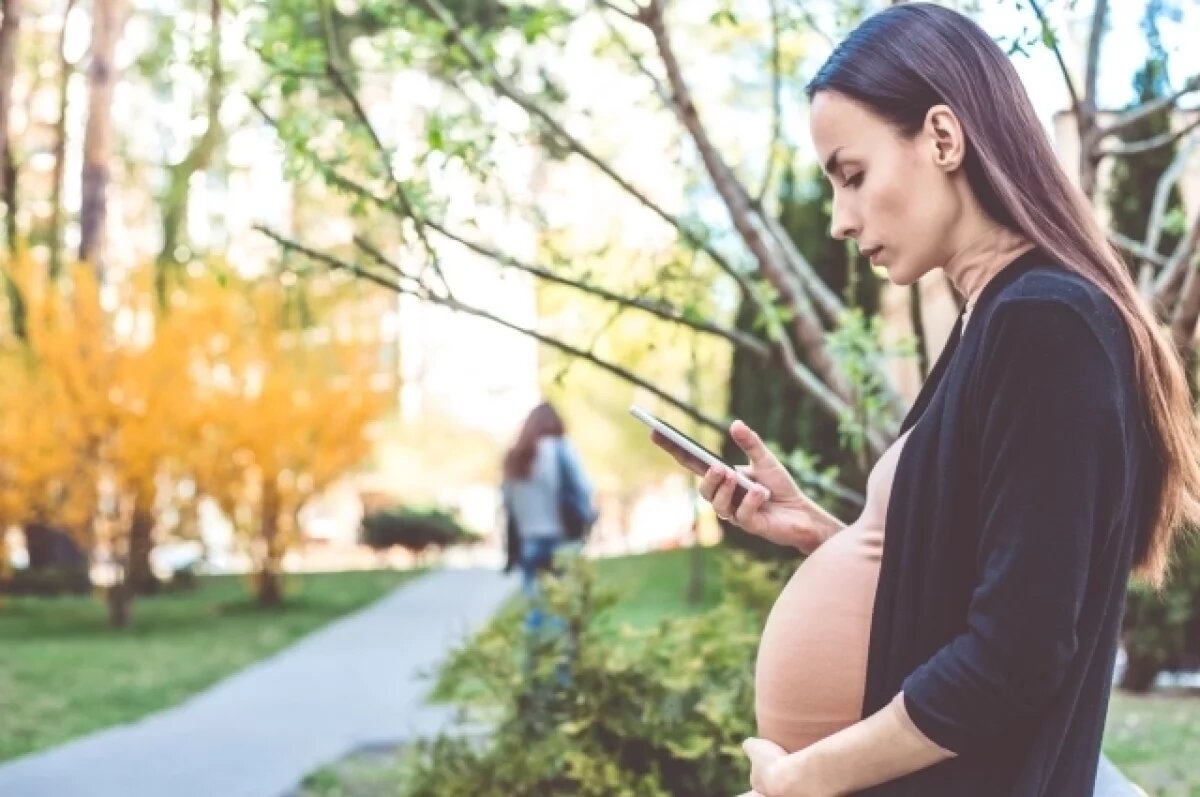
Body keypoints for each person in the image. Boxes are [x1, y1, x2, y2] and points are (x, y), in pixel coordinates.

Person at [650, 5, 1200, 796]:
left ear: (943, 138)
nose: (841, 220)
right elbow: (981, 578)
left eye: (853, 174)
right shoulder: (998, 318)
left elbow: (1016, 656)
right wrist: (831, 537)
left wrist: (805, 778)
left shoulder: (1045, 322)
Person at [501, 401, 596, 636]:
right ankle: (560, 671)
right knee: (562, 615)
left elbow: (508, 505)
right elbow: (584, 489)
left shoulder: (517, 456)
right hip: (561, 540)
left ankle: (533, 668)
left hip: (529, 543)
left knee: (535, 614)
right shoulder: (561, 449)